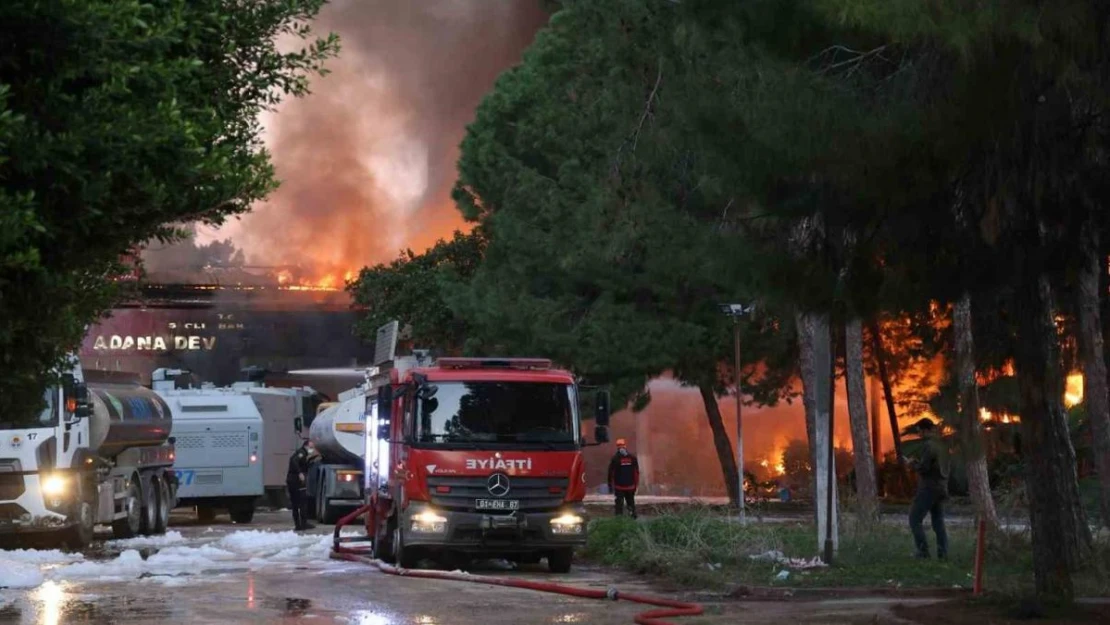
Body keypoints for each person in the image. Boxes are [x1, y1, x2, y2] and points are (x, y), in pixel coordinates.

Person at [903, 418, 949, 559]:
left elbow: (924, 468)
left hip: (929, 488)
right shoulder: (942, 445)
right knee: (938, 522)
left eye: (920, 432)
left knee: (914, 519)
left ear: (927, 430)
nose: (919, 435)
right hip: (941, 487)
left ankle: (923, 552)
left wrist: (911, 464)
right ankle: (943, 554)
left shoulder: (929, 445)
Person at [287, 439, 318, 531]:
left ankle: (298, 525)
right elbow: (294, 461)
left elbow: (301, 463)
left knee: (295, 504)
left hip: (292, 480)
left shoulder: (303, 453)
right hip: (296, 481)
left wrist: (312, 459)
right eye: (311, 447)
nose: (312, 449)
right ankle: (303, 524)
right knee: (302, 502)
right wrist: (300, 473)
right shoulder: (301, 453)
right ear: (306, 446)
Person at [607, 439, 640, 519]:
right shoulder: (632, 458)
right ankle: (633, 519)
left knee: (619, 505)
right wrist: (636, 485)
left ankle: (619, 520)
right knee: (631, 504)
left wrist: (610, 486)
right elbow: (636, 473)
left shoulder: (615, 458)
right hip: (630, 486)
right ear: (625, 446)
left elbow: (610, 473)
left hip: (619, 487)